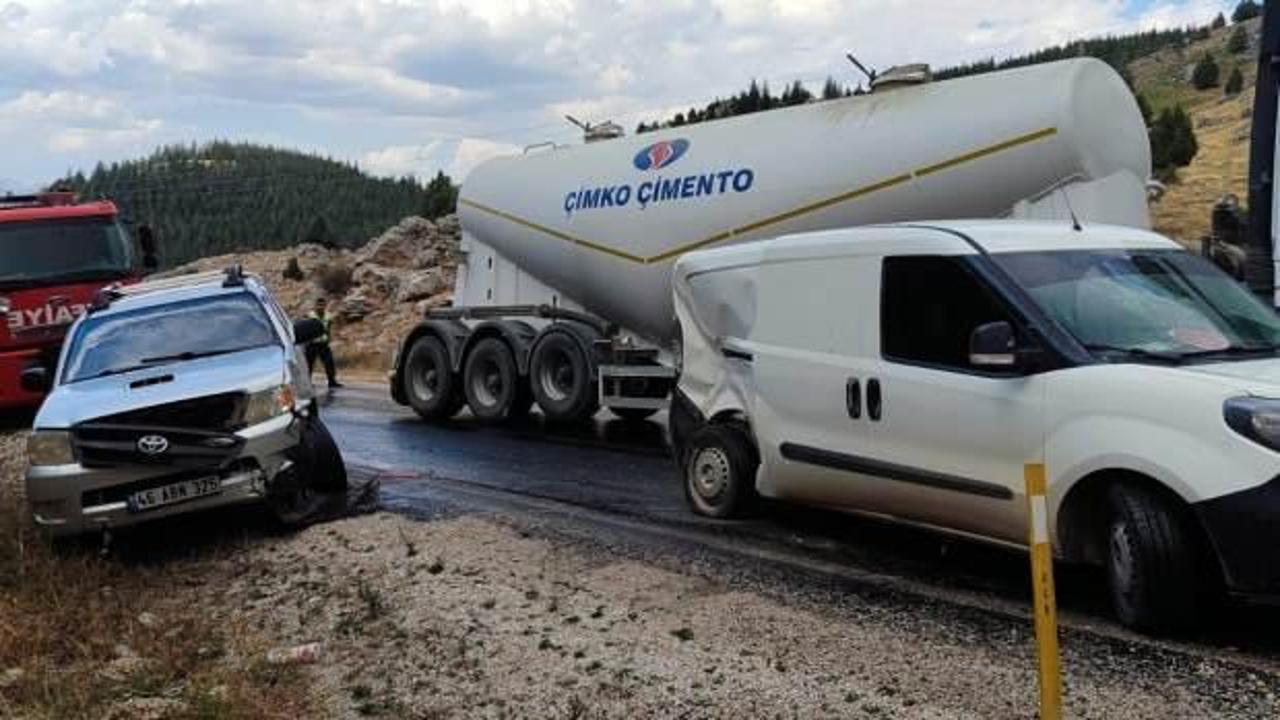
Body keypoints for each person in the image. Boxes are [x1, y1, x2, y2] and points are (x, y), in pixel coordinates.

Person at [306, 298, 342, 388]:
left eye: (322, 305)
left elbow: (328, 328)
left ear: (325, 306)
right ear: (315, 306)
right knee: (309, 364)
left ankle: (332, 381)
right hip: (312, 343)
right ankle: (307, 382)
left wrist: (329, 338)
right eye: (319, 305)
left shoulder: (328, 316)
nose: (320, 307)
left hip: (323, 343)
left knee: (329, 362)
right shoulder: (310, 315)